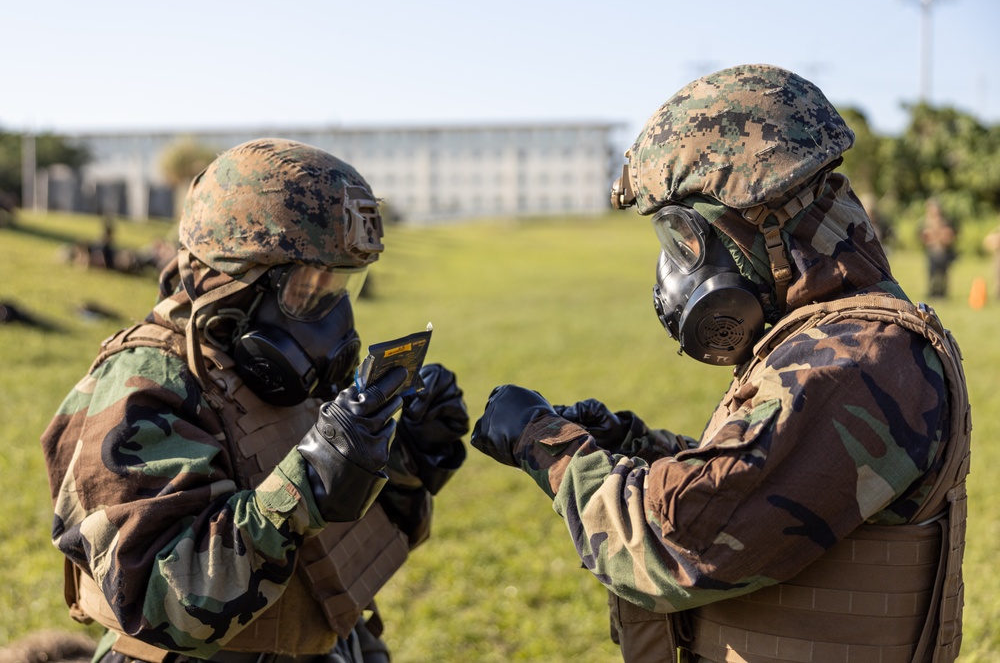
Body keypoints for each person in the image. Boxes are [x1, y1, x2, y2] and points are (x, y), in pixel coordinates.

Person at [470, 65, 971, 663]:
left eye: (686, 237)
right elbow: (756, 478)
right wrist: (629, 444)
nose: (678, 268)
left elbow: (672, 545)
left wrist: (545, 443)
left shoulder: (849, 361)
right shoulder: (835, 340)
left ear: (762, 219)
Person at [40, 138, 469, 663]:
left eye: (338, 290)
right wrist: (308, 482)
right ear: (229, 281)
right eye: (308, 291)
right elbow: (165, 602)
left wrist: (404, 463)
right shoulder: (141, 386)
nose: (333, 323)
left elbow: (334, 548)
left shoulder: (270, 376)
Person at [920, 197, 957, 298]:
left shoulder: (945, 221)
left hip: (943, 250)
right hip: (931, 250)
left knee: (943, 274)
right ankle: (932, 291)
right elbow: (922, 236)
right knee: (931, 273)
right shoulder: (925, 221)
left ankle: (942, 292)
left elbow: (951, 235)